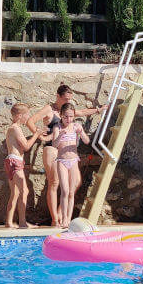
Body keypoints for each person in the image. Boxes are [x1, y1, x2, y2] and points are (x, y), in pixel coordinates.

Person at [27, 83, 107, 227]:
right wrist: (41, 136)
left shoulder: (67, 112)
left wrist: (97, 110)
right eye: (65, 99)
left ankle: (60, 214)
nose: (67, 102)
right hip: (52, 148)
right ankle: (55, 219)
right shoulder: (49, 109)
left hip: (68, 153)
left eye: (69, 99)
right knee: (54, 183)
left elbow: (81, 112)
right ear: (57, 96)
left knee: (76, 183)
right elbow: (30, 121)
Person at [51, 103, 91, 228]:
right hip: (62, 161)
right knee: (65, 190)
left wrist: (82, 132)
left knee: (71, 193)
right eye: (66, 117)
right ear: (61, 116)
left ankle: (68, 218)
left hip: (73, 161)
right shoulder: (57, 127)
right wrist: (61, 135)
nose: (68, 120)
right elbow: (54, 144)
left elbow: (87, 141)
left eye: (71, 117)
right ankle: (63, 218)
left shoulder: (76, 126)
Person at [4, 103, 43, 228]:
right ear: (20, 115)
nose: (28, 118)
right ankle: (22, 222)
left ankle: (9, 222)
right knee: (24, 191)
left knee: (14, 193)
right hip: (15, 161)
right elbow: (26, 147)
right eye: (27, 115)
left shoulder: (13, 128)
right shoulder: (15, 128)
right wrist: (36, 134)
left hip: (11, 161)